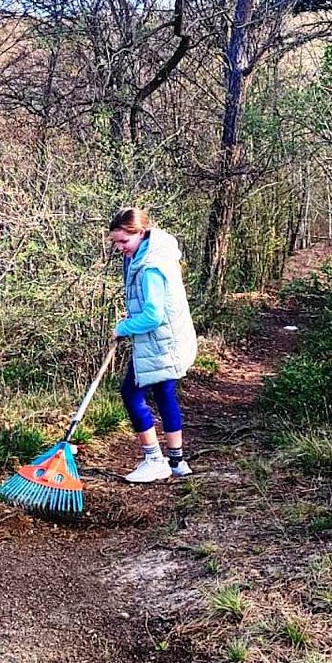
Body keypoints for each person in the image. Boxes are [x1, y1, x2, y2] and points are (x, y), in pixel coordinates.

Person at [109, 207, 197, 483]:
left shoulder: (150, 267)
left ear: (142, 233)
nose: (120, 247)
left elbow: (153, 315)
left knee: (131, 393)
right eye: (116, 242)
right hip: (170, 340)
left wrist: (123, 328)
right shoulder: (149, 253)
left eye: (124, 241)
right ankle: (176, 461)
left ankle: (154, 460)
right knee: (163, 392)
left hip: (161, 342)